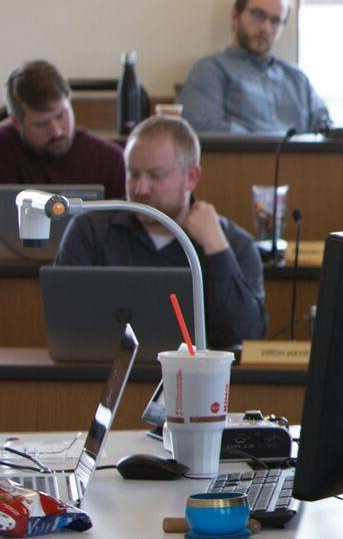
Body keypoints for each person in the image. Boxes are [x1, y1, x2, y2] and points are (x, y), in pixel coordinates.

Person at [56, 115, 267, 346]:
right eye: (133, 174)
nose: (140, 188)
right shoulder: (90, 231)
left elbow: (246, 337)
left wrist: (218, 252)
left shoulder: (234, 244)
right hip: (107, 373)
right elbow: (65, 327)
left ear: (191, 177)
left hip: (196, 380)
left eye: (156, 176)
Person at [181, 0, 333, 135]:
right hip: (243, 157)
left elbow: (328, 129)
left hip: (303, 159)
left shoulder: (297, 78)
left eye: (275, 21)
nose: (265, 28)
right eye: (258, 15)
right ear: (235, 16)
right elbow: (202, 128)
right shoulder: (211, 70)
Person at [0, 61, 125, 198]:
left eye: (61, 115)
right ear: (16, 122)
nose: (56, 132)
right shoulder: (4, 151)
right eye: (41, 124)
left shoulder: (110, 161)